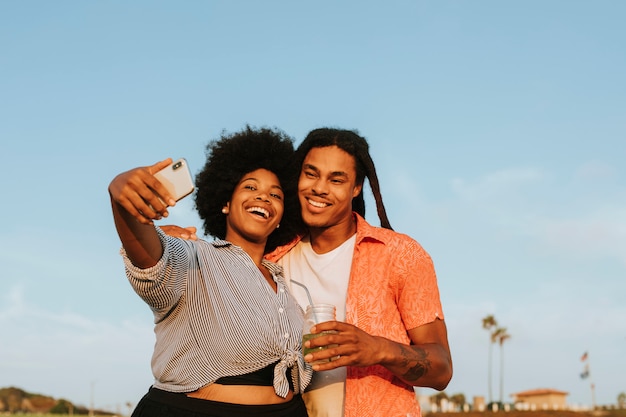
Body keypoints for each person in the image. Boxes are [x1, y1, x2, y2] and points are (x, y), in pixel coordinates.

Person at [163, 127, 452, 417]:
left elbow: (441, 371)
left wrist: (378, 349)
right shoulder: (273, 258)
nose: (320, 188)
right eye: (311, 174)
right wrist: (166, 239)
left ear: (356, 188)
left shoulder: (400, 254)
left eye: (336, 179)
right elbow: (217, 266)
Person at [108, 126, 313, 417]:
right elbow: (149, 257)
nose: (264, 198)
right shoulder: (194, 256)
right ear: (226, 204)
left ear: (282, 216)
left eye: (276, 195)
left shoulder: (284, 284)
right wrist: (123, 197)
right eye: (251, 187)